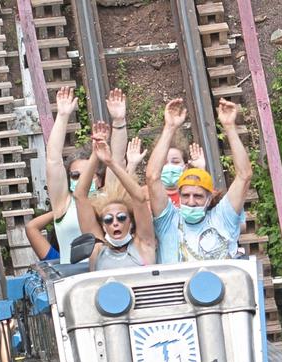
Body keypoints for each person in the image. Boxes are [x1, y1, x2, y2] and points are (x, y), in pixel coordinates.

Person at [145, 98, 251, 263]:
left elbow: (244, 176)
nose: (191, 201)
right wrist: (170, 128)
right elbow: (152, 177)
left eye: (198, 196)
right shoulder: (169, 221)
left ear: (209, 199)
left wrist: (230, 127)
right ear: (179, 197)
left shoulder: (222, 217)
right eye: (186, 195)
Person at [45, 87, 129, 263]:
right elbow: (53, 160)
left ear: (98, 180)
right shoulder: (64, 203)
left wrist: (119, 121)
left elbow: (118, 160)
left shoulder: (108, 199)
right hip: (72, 278)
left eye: (87, 175)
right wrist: (62, 116)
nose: (81, 180)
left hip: (106, 272)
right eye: (75, 176)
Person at [72, 122, 156, 270]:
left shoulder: (143, 244)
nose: (115, 223)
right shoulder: (97, 249)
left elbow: (139, 199)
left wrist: (111, 163)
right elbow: (80, 196)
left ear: (130, 222)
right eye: (109, 220)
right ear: (103, 226)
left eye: (121, 217)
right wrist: (95, 154)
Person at [161, 142, 207, 206]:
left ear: (185, 167)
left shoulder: (193, 194)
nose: (169, 166)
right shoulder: (147, 195)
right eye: (163, 163)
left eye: (175, 162)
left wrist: (201, 169)